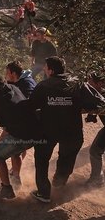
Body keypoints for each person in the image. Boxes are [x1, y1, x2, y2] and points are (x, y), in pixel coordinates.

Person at [29, 56, 84, 203]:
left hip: (48, 130)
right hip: (72, 131)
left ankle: (44, 193)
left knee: (41, 159)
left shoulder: (44, 85)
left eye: (45, 67)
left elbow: (31, 105)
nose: (44, 69)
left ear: (51, 70)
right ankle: (59, 184)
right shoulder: (77, 83)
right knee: (67, 157)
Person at [0, 73, 41, 199]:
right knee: (15, 151)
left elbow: (2, 123)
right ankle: (16, 178)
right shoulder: (13, 87)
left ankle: (7, 188)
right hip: (36, 133)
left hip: (22, 136)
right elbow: (14, 104)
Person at [85, 72, 105, 188]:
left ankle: (97, 179)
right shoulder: (96, 94)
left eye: (91, 82)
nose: (88, 84)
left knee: (95, 150)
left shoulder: (101, 95)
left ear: (100, 83)